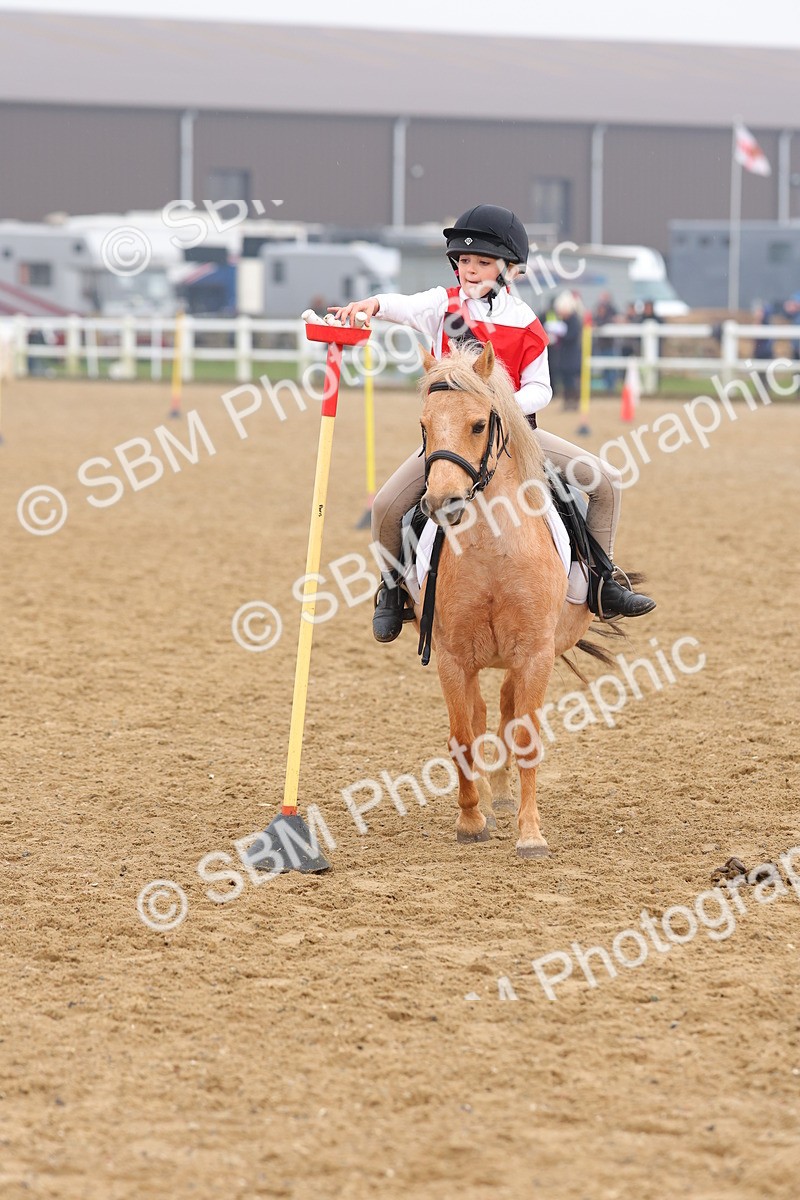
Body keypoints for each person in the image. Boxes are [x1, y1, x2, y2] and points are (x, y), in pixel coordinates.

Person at [330, 204, 656, 642]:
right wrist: (371, 304)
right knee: (388, 507)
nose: (470, 269)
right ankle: (391, 592)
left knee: (606, 482)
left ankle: (600, 581)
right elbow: (399, 305)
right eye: (464, 261)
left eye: (483, 262)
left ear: (511, 271)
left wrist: (499, 406)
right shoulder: (440, 306)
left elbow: (542, 389)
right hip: (451, 441)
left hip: (518, 437)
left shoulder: (525, 322)